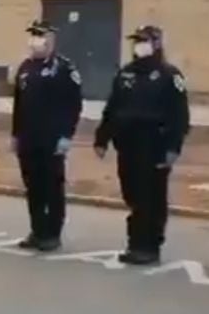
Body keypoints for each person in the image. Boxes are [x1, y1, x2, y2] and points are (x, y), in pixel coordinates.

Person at [94, 25, 190, 266]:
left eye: (144, 41)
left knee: (152, 196)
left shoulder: (169, 75)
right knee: (133, 194)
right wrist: (102, 138)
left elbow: (180, 116)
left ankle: (149, 245)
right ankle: (134, 243)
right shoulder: (126, 74)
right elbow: (112, 108)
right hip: (128, 145)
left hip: (155, 145)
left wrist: (173, 147)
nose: (138, 45)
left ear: (156, 43)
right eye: (136, 41)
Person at [11, 21, 83, 252]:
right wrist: (15, 134)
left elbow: (73, 105)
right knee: (33, 187)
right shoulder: (26, 67)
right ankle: (37, 230)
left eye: (40, 36)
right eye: (33, 36)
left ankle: (52, 233)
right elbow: (19, 104)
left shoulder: (64, 68)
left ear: (51, 39)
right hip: (28, 137)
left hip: (52, 138)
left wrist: (66, 135)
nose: (35, 40)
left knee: (51, 186)